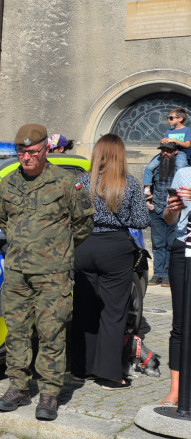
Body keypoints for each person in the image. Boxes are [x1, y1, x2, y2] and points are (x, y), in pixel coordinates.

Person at [0, 123, 94, 421]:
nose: (26, 157)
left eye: (33, 151)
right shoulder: (8, 183)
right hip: (17, 273)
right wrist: (25, 243)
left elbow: (84, 224)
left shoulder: (65, 182)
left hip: (53, 274)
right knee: (17, 332)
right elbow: (1, 216)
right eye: (21, 152)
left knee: (51, 333)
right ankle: (18, 387)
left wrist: (56, 247)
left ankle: (49, 393)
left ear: (46, 149)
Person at [70, 134, 151, 389]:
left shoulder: (82, 182)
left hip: (84, 245)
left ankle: (81, 369)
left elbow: (70, 214)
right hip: (115, 248)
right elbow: (141, 221)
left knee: (84, 309)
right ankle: (109, 374)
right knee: (113, 313)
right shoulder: (128, 184)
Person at [160, 167, 191, 405]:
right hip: (183, 249)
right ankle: (176, 391)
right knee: (179, 323)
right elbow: (169, 220)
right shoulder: (184, 173)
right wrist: (172, 210)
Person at [142, 140, 188, 286]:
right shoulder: (156, 167)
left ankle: (168, 275)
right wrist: (147, 202)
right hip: (156, 210)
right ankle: (158, 274)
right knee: (157, 244)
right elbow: (148, 189)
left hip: (174, 212)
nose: (165, 153)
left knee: (170, 244)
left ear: (175, 152)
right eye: (163, 151)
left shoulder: (180, 170)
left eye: (168, 151)